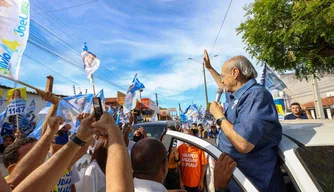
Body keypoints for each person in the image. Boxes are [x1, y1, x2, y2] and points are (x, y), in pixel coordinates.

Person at [204, 49, 285, 192]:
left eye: (224, 75)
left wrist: (219, 116)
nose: (221, 80)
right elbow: (223, 84)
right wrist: (210, 68)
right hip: (236, 179)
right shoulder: (237, 94)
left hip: (252, 183)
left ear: (235, 73)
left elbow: (243, 144)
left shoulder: (255, 96)